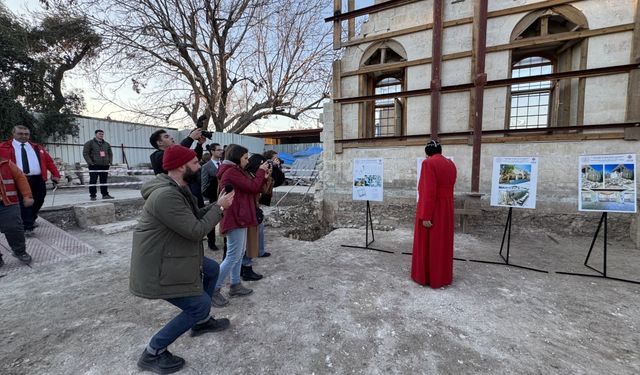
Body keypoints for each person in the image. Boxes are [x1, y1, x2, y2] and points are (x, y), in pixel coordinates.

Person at [130, 144, 234, 374]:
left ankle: (200, 322)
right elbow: (196, 230)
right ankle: (152, 352)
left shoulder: (179, 187)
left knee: (211, 269)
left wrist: (217, 205)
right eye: (195, 163)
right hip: (157, 265)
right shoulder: (166, 195)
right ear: (180, 166)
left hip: (171, 256)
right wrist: (220, 209)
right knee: (199, 304)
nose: (200, 166)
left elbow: (194, 216)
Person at [211, 144, 269, 307]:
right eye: (245, 157)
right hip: (235, 217)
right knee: (232, 256)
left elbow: (254, 189)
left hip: (240, 216)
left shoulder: (236, 171)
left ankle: (235, 285)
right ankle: (213, 290)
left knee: (237, 254)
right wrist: (261, 171)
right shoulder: (231, 172)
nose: (247, 160)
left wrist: (262, 175)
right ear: (237, 158)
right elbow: (253, 187)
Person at [411, 139, 457, 288]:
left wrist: (426, 216)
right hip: (447, 208)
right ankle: (442, 276)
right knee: (443, 242)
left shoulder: (428, 164)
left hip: (433, 208)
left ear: (427, 152)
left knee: (429, 243)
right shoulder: (451, 164)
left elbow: (428, 192)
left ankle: (427, 276)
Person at [0, 125, 60, 235]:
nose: (23, 136)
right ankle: (27, 227)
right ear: (13, 134)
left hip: (37, 179)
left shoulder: (37, 147)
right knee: (24, 202)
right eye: (20, 134)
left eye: (26, 134)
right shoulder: (3, 147)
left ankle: (31, 218)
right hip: (16, 180)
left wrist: (55, 174)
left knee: (39, 199)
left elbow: (49, 162)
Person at [0, 156, 34, 265]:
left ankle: (20, 251)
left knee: (14, 227)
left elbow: (20, 178)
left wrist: (27, 196)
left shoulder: (6, 163)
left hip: (8, 203)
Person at [201, 143, 224, 250]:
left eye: (221, 150)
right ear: (212, 151)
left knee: (225, 219)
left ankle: (226, 240)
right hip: (213, 198)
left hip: (225, 196)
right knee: (212, 221)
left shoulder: (224, 164)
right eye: (218, 150)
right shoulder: (206, 167)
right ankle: (211, 242)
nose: (221, 151)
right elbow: (204, 186)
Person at [82, 129, 113, 200]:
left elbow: (110, 153)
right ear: (96, 134)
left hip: (105, 165)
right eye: (99, 134)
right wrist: (90, 163)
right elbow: (85, 153)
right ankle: (93, 195)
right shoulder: (89, 143)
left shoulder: (106, 144)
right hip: (94, 165)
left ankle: (105, 194)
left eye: (102, 134)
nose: (101, 135)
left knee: (104, 180)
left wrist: (110, 161)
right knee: (93, 180)